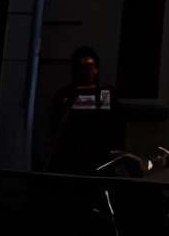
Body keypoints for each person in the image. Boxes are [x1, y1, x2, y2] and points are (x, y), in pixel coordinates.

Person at [51, 46, 123, 174]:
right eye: (81, 68)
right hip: (71, 158)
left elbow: (116, 123)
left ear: (96, 69)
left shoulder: (105, 94)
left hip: (100, 156)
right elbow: (55, 126)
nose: (85, 71)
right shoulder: (65, 95)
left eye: (89, 66)